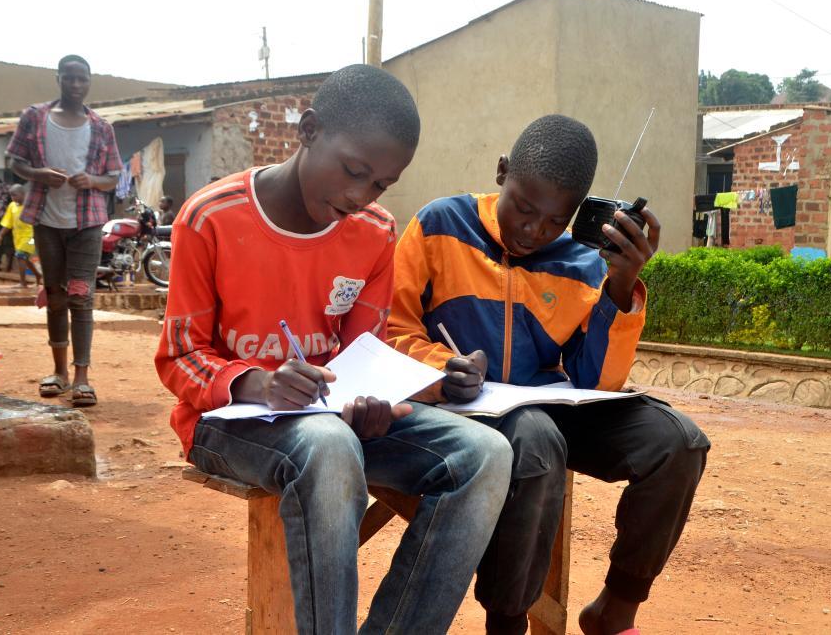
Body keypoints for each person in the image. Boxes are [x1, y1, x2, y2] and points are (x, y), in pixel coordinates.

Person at [154, 64, 512, 635]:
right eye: (354, 171)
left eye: (380, 185)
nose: (360, 195)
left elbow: (361, 354)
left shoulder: (374, 231)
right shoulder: (211, 218)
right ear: (309, 129)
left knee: (486, 454)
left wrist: (374, 402)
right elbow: (179, 356)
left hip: (331, 422)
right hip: (226, 422)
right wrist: (258, 383)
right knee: (327, 444)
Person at [388, 114, 711, 635]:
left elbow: (596, 381)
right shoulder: (439, 225)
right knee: (535, 441)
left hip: (547, 403)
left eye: (555, 220)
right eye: (524, 207)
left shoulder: (583, 259)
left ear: (577, 213)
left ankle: (615, 610)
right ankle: (507, 623)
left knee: (679, 443)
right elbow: (391, 328)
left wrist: (621, 284)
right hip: (461, 404)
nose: (534, 230)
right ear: (502, 172)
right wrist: (441, 368)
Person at [6, 54, 123, 407]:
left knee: (80, 296)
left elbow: (113, 177)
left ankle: (82, 376)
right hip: (46, 220)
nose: (75, 84)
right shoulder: (34, 117)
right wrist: (38, 174)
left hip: (87, 222)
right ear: (58, 79)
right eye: (69, 78)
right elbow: (16, 162)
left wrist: (93, 180)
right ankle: (59, 372)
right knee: (55, 294)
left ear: (89, 81)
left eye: (81, 78)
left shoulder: (101, 126)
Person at [0, 184, 41, 288]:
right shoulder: (12, 206)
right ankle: (38, 275)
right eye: (11, 195)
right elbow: (8, 223)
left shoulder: (30, 206)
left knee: (20, 256)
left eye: (15, 195)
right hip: (18, 238)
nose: (13, 197)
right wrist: (0, 235)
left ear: (23, 194)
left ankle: (23, 283)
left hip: (31, 237)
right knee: (24, 258)